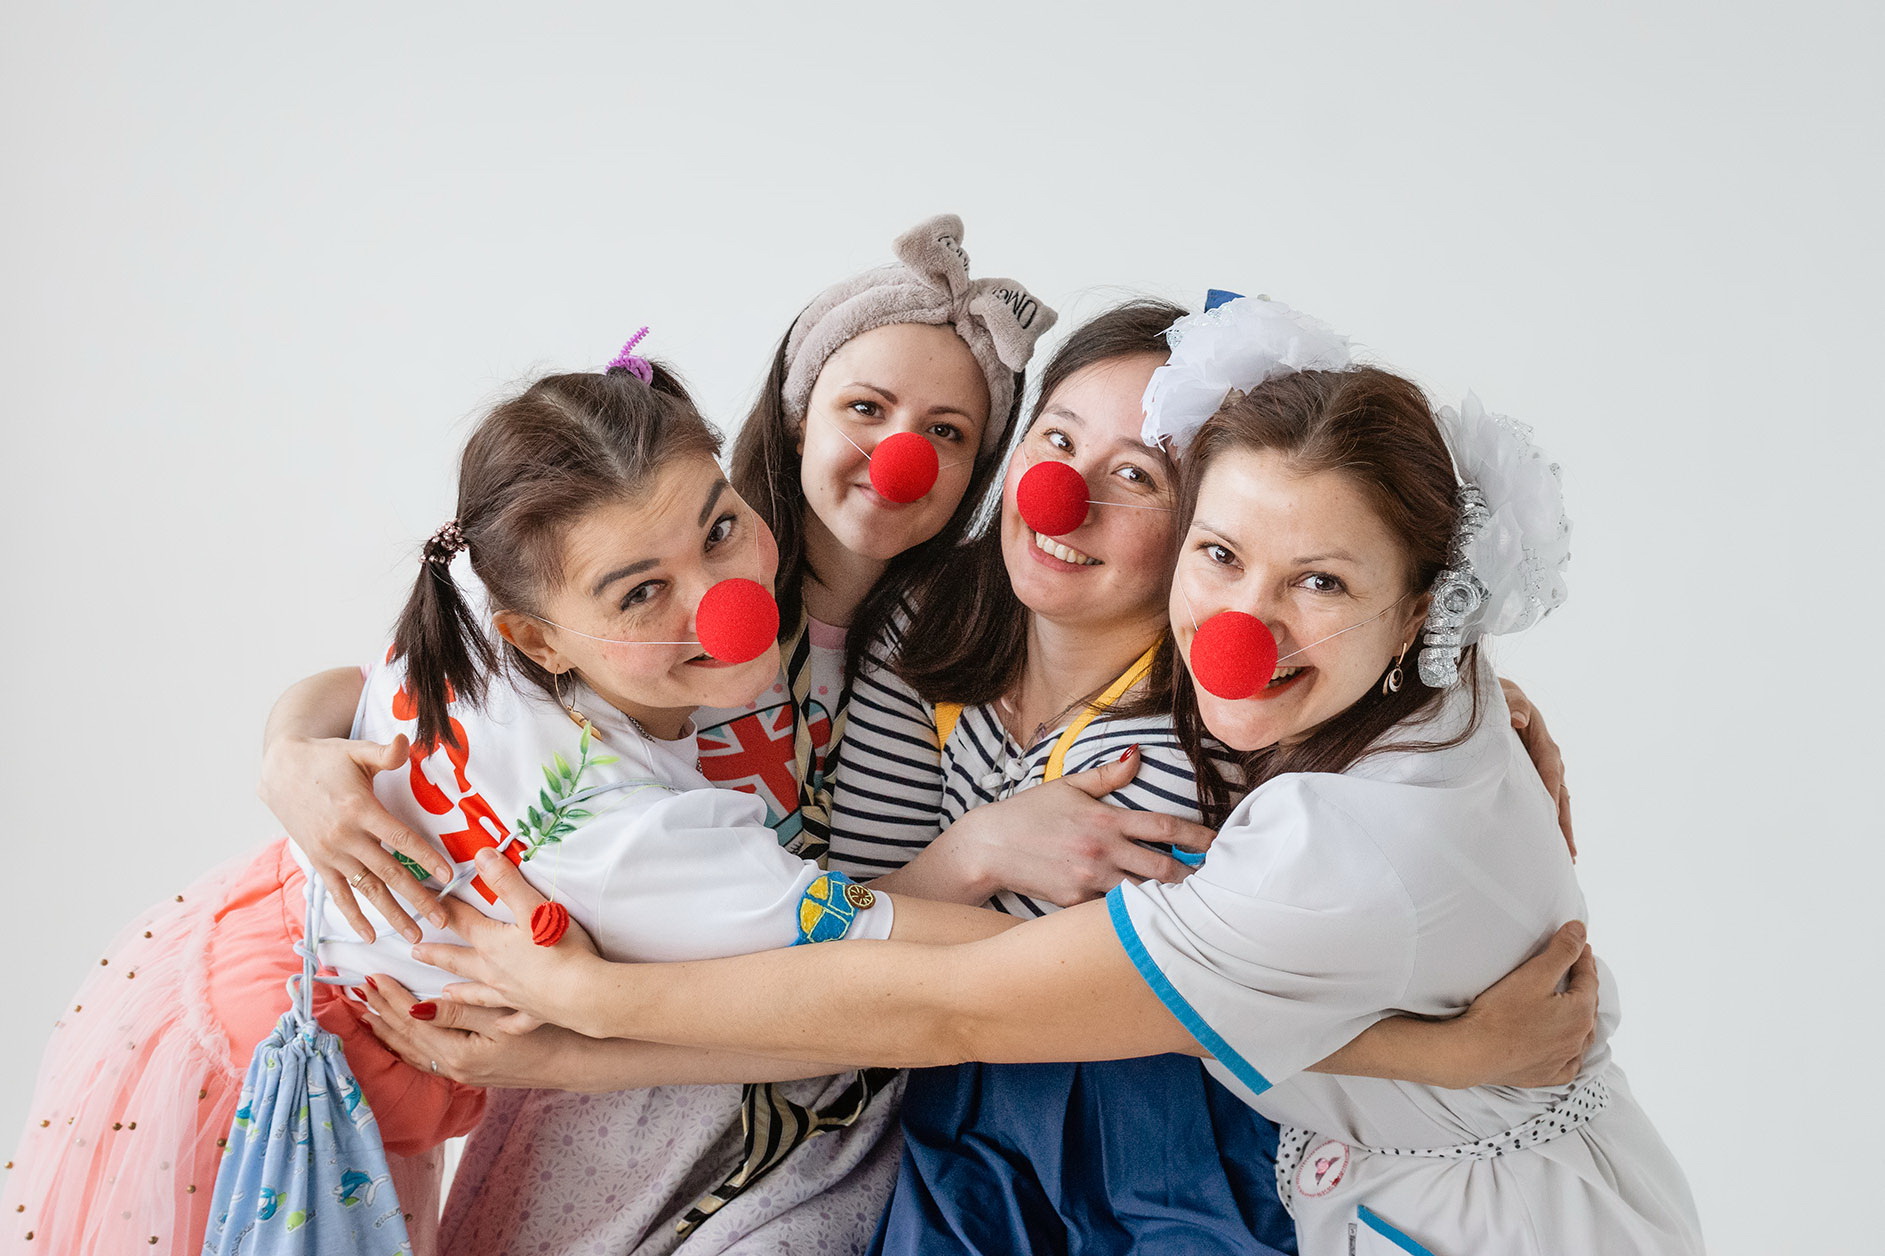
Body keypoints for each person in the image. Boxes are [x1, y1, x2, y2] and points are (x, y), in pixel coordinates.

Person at [408, 299, 1702, 1255]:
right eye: (1054, 439)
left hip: (1160, 1132)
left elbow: (1036, 1003)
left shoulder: (1246, 738)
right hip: (910, 1103)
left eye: (1134, 474)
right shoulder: (912, 635)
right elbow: (862, 937)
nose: (1063, 493)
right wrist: (311, 749)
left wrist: (589, 1016)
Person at [0, 342, 1005, 1256]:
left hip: (222, 964)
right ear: (538, 638)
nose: (724, 602)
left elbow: (350, 689)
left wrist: (290, 749)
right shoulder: (634, 838)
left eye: (720, 529)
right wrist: (1041, 906)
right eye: (641, 592)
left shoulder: (486, 615)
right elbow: (936, 972)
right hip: (280, 1096)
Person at [254, 214, 1070, 1252]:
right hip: (486, 1076)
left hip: (780, 1073)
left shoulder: (926, 637)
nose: (902, 453)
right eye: (866, 407)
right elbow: (379, 682)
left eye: (949, 432)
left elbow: (848, 952)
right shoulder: (619, 563)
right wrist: (290, 756)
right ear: (796, 414)